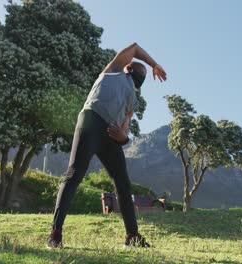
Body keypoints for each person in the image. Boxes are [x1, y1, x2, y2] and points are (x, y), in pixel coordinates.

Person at [47, 42, 167, 249]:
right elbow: (136, 48)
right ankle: (55, 233)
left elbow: (125, 130)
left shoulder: (133, 100)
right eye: (139, 67)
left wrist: (123, 137)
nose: (142, 70)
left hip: (111, 134)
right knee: (74, 174)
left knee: (123, 183)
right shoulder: (113, 71)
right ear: (128, 67)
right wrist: (154, 64)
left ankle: (133, 237)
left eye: (145, 72)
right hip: (92, 120)